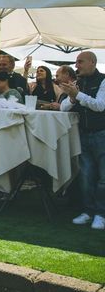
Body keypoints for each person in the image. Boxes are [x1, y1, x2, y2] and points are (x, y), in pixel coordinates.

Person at [60, 51, 105, 230]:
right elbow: (63, 108)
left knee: (103, 179)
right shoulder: (78, 83)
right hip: (83, 135)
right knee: (86, 176)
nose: (76, 65)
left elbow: (100, 106)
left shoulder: (103, 81)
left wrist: (78, 95)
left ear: (92, 62)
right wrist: (72, 96)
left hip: (102, 134)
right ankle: (88, 211)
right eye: (76, 62)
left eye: (80, 62)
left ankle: (101, 214)